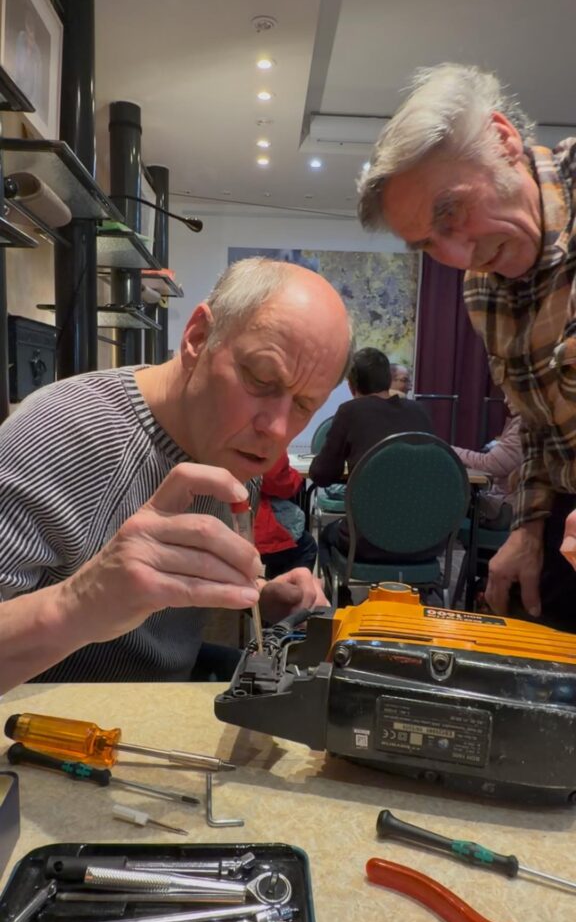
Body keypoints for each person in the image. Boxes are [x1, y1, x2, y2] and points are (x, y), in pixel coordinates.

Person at [0, 258, 352, 692]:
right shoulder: (61, 433)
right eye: (261, 380)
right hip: (47, 718)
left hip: (161, 695)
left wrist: (262, 595)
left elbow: (171, 581)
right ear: (198, 338)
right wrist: (80, 601)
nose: (277, 430)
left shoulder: (234, 446)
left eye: (303, 405)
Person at [357, 63, 576, 628]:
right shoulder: (482, 288)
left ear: (502, 139)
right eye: (429, 244)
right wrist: (529, 528)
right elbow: (538, 426)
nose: (458, 256)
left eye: (451, 212)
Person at [309, 346, 432, 572]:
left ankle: (338, 593)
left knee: (325, 537)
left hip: (366, 542)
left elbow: (321, 475)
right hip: (426, 541)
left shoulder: (350, 412)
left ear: (351, 386)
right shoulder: (419, 412)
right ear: (388, 380)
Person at [453, 413, 523, 530]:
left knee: (446, 495)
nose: (506, 403)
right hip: (505, 501)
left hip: (507, 509)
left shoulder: (525, 424)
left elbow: (489, 464)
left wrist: (449, 450)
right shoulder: (520, 422)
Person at [254, 452, 317, 579]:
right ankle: (293, 589)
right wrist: (295, 477)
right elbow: (278, 483)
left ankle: (274, 584)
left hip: (223, 524)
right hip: (253, 529)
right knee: (306, 546)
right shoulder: (267, 444)